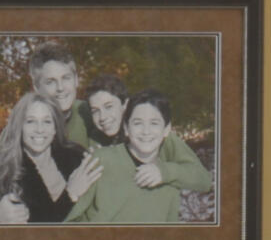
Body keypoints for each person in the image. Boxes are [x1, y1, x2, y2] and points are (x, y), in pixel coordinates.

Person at [68, 92, 194, 224]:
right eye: (137, 123)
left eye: (154, 123)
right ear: (126, 128)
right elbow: (70, 222)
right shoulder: (101, 161)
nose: (146, 131)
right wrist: (71, 195)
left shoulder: (170, 184)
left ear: (166, 129)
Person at [80, 78, 212, 200]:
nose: (102, 117)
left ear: (125, 104)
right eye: (95, 111)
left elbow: (204, 179)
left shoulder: (155, 137)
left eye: (109, 106)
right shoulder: (95, 141)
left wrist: (163, 171)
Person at [0, 88, 99, 223]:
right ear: (20, 127)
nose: (39, 129)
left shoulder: (75, 156)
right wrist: (71, 194)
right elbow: (41, 225)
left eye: (47, 121)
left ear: (55, 128)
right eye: (31, 121)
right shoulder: (11, 173)